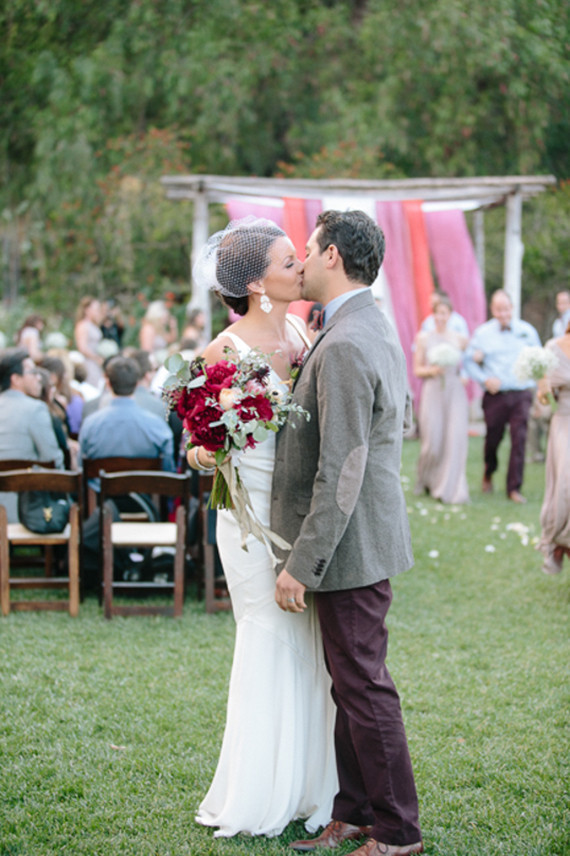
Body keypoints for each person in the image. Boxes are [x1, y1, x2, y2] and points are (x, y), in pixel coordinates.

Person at [271, 210, 422, 856]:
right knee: (351, 684)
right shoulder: (365, 326)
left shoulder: (350, 342)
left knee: (364, 685)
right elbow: (404, 419)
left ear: (332, 256)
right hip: (359, 542)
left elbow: (344, 468)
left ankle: (396, 831)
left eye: (307, 249)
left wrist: (301, 564)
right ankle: (355, 811)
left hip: (351, 549)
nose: (300, 261)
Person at [187, 217, 337, 838]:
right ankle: (257, 792)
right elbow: (193, 452)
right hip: (248, 521)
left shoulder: (303, 331)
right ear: (257, 283)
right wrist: (222, 437)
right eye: (287, 261)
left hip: (299, 515)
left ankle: (311, 787)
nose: (300, 267)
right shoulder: (222, 352)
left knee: (313, 650)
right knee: (269, 637)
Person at [464, 289, 541, 503]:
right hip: (495, 396)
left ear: (512, 308)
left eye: (506, 309)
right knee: (493, 440)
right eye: (498, 309)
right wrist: (484, 379)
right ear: (493, 310)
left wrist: (536, 386)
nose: (503, 313)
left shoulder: (527, 331)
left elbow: (539, 360)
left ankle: (514, 488)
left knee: (520, 439)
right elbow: (469, 360)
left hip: (521, 394)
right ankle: (489, 471)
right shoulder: (483, 333)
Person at [413, 295, 470, 504]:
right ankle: (426, 478)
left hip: (454, 391)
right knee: (433, 441)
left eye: (444, 313)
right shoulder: (424, 338)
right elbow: (417, 369)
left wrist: (464, 376)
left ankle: (451, 488)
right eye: (437, 313)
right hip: (433, 390)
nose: (440, 317)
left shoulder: (459, 339)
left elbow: (468, 364)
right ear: (433, 314)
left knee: (454, 439)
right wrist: (431, 369)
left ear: (450, 315)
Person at [78, 355, 175, 472]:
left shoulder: (90, 425)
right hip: (145, 487)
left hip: (102, 489)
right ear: (136, 384)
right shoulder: (157, 426)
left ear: (108, 383)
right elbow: (168, 470)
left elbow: (81, 466)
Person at [0, 349, 64, 522]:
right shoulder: (35, 409)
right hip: (27, 512)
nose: (39, 378)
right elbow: (52, 460)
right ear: (16, 379)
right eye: (32, 372)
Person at [536, 317, 570, 574]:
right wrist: (544, 389)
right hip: (564, 423)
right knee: (565, 488)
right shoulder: (552, 348)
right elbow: (544, 400)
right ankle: (559, 539)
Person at [74, 296, 104, 389]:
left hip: (96, 361)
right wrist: (96, 358)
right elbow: (82, 347)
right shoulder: (83, 325)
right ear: (87, 309)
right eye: (96, 309)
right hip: (89, 361)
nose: (97, 312)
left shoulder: (93, 324)